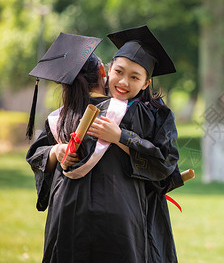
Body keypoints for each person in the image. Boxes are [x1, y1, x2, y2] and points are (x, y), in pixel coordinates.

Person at [26, 28, 182, 262]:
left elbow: (164, 166)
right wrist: (58, 151)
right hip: (117, 216)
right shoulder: (147, 116)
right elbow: (165, 168)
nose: (123, 82)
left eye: (134, 77)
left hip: (71, 214)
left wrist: (121, 136)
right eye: (119, 71)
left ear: (146, 82)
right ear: (107, 70)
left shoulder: (68, 113)